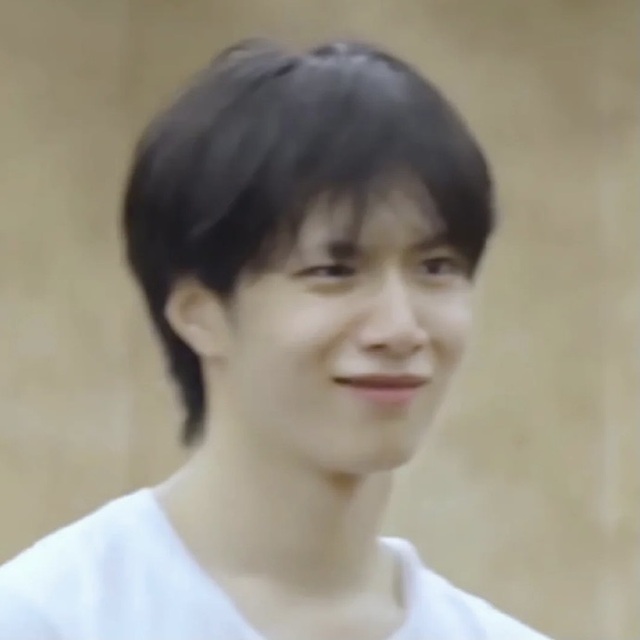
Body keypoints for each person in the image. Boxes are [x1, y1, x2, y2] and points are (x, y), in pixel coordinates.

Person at [0, 38, 552, 640]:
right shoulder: (50, 618)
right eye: (334, 271)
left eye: (437, 268)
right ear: (198, 313)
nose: (399, 329)